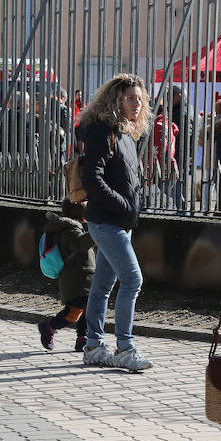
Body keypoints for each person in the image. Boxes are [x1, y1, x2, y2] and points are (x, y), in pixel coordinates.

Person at [77, 73, 153, 373]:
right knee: (133, 279)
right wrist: (123, 206)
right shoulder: (102, 131)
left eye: (140, 98)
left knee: (103, 285)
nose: (138, 103)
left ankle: (94, 346)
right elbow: (91, 178)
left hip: (120, 222)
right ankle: (125, 348)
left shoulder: (127, 131)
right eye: (131, 98)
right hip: (107, 221)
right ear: (115, 101)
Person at [35, 199, 95, 353]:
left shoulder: (72, 228)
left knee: (88, 310)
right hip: (75, 281)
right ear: (79, 213)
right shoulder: (69, 230)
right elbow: (80, 244)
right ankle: (49, 326)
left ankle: (83, 338)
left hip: (84, 278)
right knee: (74, 312)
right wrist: (96, 232)